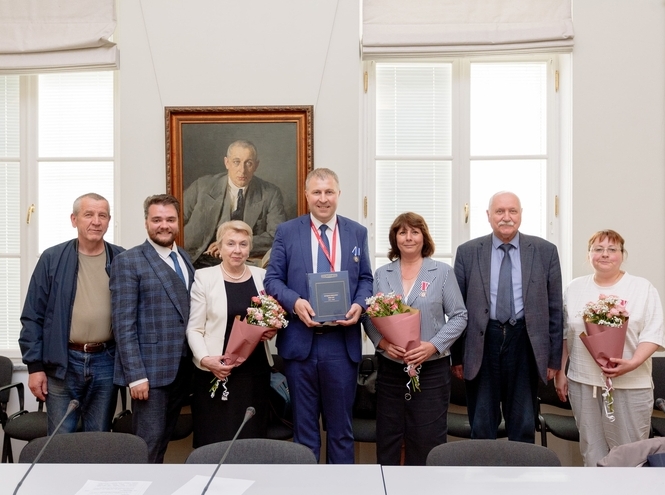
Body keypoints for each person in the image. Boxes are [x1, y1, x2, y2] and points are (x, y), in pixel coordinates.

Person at [264, 167, 373, 463]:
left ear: (338, 194)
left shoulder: (356, 232)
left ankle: (339, 486)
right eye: (316, 192)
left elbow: (366, 279)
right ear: (306, 195)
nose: (323, 199)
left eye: (329, 192)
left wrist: (359, 305)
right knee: (304, 432)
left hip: (341, 344)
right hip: (300, 343)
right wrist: (295, 302)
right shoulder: (287, 231)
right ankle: (306, 486)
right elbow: (272, 279)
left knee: (341, 431)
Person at [453, 191, 563, 443]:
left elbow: (555, 309)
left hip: (525, 342)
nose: (506, 217)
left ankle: (521, 470)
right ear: (488, 215)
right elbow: (457, 310)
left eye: (512, 211)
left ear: (521, 214)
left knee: (523, 424)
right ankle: (484, 469)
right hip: (482, 344)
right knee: (482, 425)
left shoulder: (545, 251)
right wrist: (457, 356)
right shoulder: (468, 252)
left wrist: (553, 358)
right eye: (499, 211)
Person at [363, 212, 467, 465]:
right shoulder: (382, 274)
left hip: (431, 370)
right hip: (391, 369)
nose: (408, 237)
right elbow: (368, 316)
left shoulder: (442, 272)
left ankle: (425, 486)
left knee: (427, 441)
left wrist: (433, 346)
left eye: (414, 232)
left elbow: (459, 316)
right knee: (388, 438)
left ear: (424, 237)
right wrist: (383, 344)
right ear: (395, 238)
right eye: (402, 232)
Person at [555, 229, 665, 466]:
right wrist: (561, 372)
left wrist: (632, 363)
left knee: (631, 455)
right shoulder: (575, 288)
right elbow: (565, 334)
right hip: (584, 382)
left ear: (622, 254)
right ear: (589, 255)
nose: (605, 254)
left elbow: (653, 333)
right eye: (598, 249)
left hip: (631, 383)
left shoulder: (642, 288)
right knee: (591, 450)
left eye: (612, 249)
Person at [19, 193, 124, 434]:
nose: (96, 221)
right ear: (74, 219)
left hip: (106, 361)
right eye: (88, 215)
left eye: (102, 215)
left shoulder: (122, 259)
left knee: (98, 438)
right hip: (63, 362)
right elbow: (32, 316)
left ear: (109, 221)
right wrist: (34, 367)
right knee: (60, 440)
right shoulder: (52, 259)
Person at [111, 194, 195, 463]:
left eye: (170, 219)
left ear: (178, 222)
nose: (164, 225)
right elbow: (123, 324)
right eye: (157, 219)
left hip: (182, 370)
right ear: (146, 222)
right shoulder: (128, 261)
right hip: (149, 373)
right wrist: (135, 376)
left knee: (163, 442)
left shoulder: (184, 257)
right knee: (147, 446)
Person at [186, 220, 276, 447]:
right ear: (219, 247)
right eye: (231, 243)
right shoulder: (204, 277)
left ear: (250, 248)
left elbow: (269, 317)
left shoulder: (262, 276)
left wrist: (271, 329)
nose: (237, 250)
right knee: (216, 439)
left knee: (252, 439)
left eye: (243, 244)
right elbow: (194, 328)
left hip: (254, 372)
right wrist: (205, 360)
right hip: (217, 369)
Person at [183, 139, 287, 267]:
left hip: (242, 263)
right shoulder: (202, 186)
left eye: (248, 163)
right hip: (197, 260)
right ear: (227, 163)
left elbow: (277, 235)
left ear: (256, 165)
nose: (242, 170)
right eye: (236, 162)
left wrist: (236, 243)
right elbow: (175, 220)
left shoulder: (270, 193)